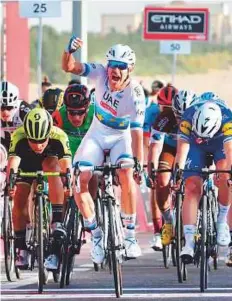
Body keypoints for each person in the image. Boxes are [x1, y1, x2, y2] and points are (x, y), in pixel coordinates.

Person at [62, 37, 145, 264]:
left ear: (130, 70)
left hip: (121, 138)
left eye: (121, 67)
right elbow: (70, 67)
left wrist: (139, 163)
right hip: (97, 136)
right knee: (79, 178)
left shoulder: (136, 94)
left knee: (127, 173)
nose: (115, 71)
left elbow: (137, 133)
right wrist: (68, 51)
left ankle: (129, 235)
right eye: (112, 65)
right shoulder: (99, 73)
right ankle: (96, 235)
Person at [7, 108, 72, 269]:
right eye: (33, 140)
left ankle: (57, 222)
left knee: (54, 167)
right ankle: (21, 247)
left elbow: (66, 168)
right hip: (26, 163)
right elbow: (13, 164)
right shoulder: (18, 135)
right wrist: (11, 183)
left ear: (49, 133)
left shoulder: (59, 136)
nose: (38, 145)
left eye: (42, 140)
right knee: (20, 196)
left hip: (49, 161)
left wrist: (68, 183)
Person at [174, 100, 232, 263]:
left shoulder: (228, 119)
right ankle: (189, 243)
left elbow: (229, 150)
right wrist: (178, 173)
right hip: (194, 146)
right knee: (192, 186)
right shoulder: (188, 117)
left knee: (225, 175)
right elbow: (182, 150)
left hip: (219, 143)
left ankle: (221, 223)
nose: (201, 138)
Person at [147, 84, 178, 248]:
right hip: (168, 148)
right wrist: (150, 168)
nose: (168, 111)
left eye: (171, 108)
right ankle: (164, 225)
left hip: (189, 147)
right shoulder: (154, 115)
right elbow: (153, 145)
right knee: (160, 179)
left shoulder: (186, 113)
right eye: (164, 107)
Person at [1, 81, 31, 150]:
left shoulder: (23, 110)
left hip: (24, 145)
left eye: (9, 107)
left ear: (15, 105)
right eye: (2, 108)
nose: (5, 112)